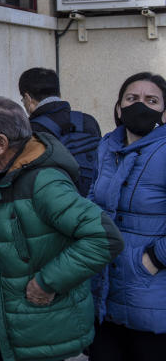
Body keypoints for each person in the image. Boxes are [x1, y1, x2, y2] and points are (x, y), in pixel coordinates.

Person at [0, 96, 124, 361]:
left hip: (40, 336)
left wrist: (48, 281)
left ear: (0, 144)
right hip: (4, 331)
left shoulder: (46, 183)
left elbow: (104, 237)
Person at [89, 72, 166, 360]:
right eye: (132, 98)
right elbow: (93, 200)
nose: (140, 105)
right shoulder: (107, 148)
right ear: (119, 108)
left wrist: (154, 259)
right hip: (105, 293)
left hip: (152, 298)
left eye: (151, 100)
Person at [19, 67, 102, 196]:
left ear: (28, 98)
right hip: (90, 202)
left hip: (52, 202)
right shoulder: (89, 121)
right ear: (59, 94)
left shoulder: (30, 129)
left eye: (22, 100)